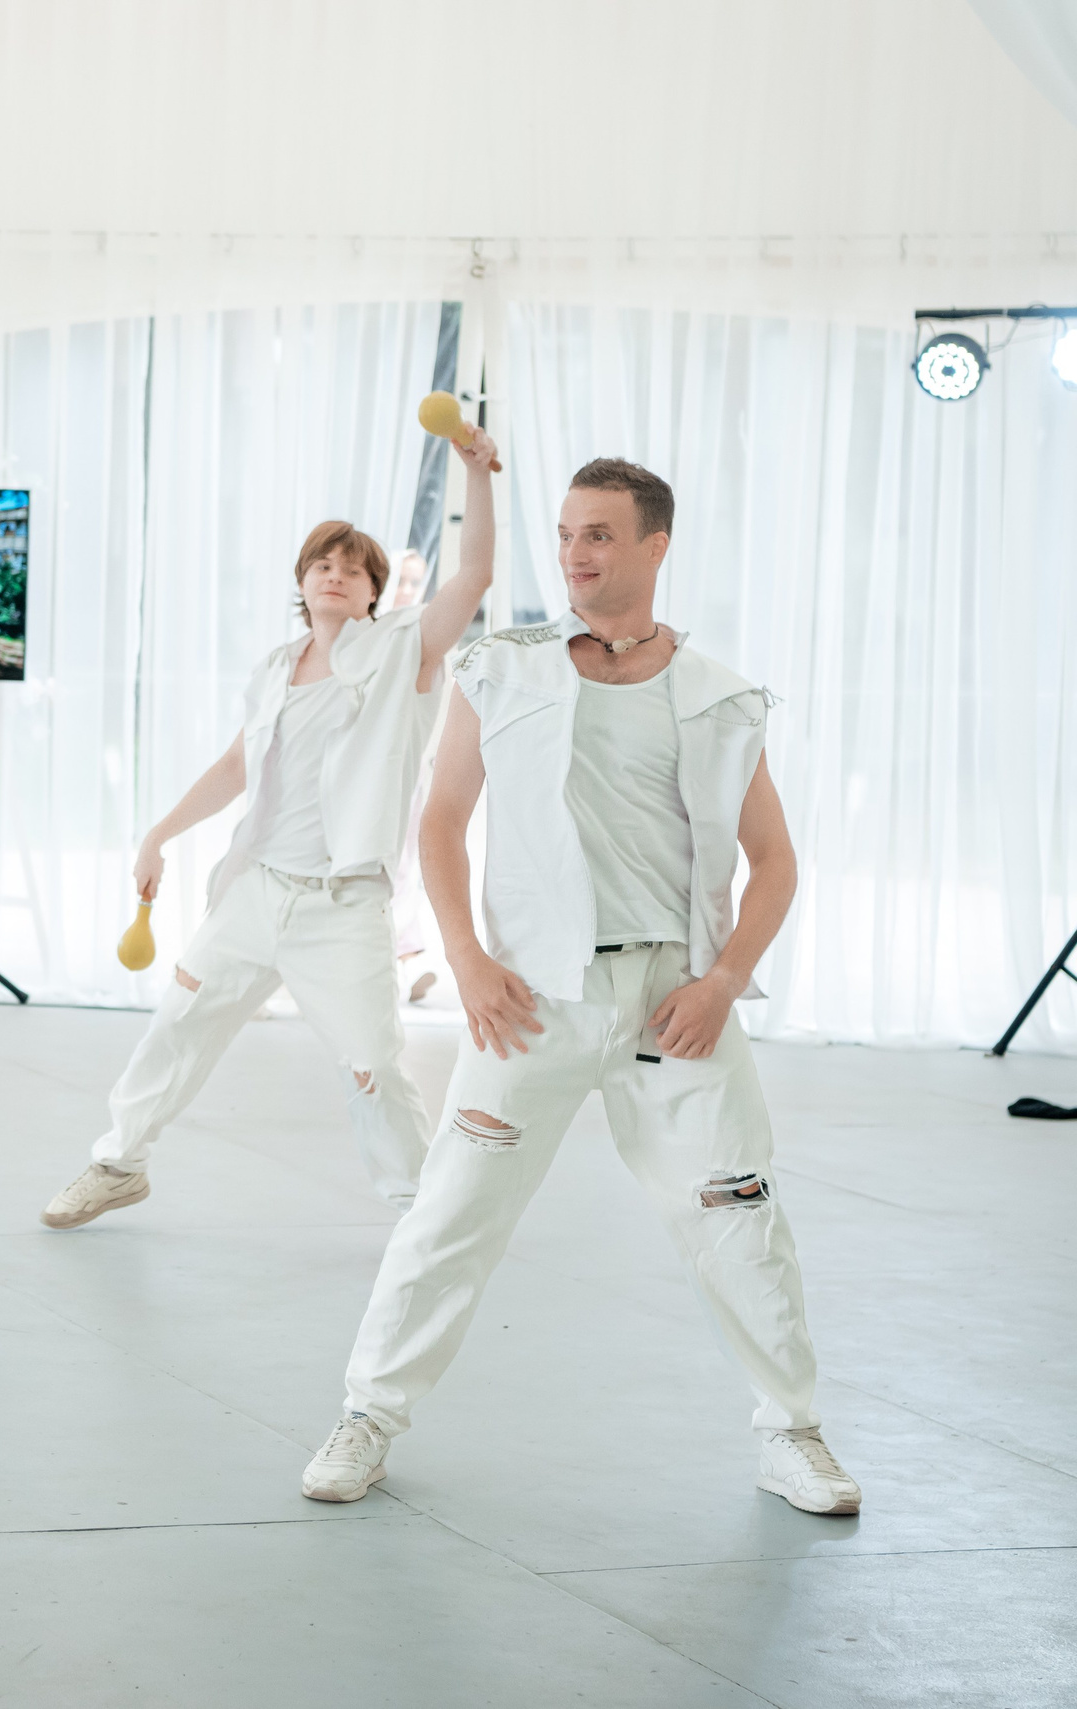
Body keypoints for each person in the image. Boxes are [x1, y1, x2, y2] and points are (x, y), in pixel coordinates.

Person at [299, 457, 861, 1520]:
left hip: (674, 1003)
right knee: (447, 1217)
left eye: (598, 533)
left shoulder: (716, 695)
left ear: (654, 545)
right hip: (530, 1000)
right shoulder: (499, 669)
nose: (574, 552)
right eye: (564, 533)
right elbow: (439, 820)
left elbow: (775, 859)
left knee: (740, 1217)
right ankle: (367, 1413)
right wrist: (463, 958)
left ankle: (792, 1433)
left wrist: (724, 981)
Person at [40, 431, 499, 1230]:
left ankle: (419, 1213)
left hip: (342, 905)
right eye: (323, 562)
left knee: (373, 1068)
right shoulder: (273, 669)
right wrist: (159, 834)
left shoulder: (405, 653)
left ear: (372, 594)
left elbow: (476, 576)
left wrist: (475, 471)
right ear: (302, 579)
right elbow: (235, 767)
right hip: (255, 894)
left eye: (353, 568)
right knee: (176, 1030)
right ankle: (118, 1163)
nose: (335, 572)